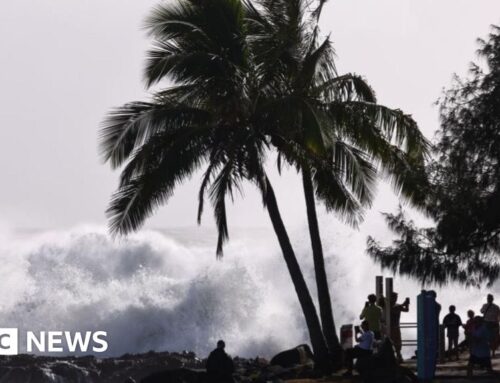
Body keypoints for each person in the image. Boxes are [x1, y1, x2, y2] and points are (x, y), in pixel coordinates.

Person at [389, 292, 409, 363]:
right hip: (390, 327)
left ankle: (399, 356)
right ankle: (393, 357)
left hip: (397, 326)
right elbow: (392, 309)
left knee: (398, 342)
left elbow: (406, 310)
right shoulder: (388, 306)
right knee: (391, 342)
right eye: (394, 297)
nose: (395, 299)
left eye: (396, 297)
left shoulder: (398, 305)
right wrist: (403, 304)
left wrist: (407, 304)